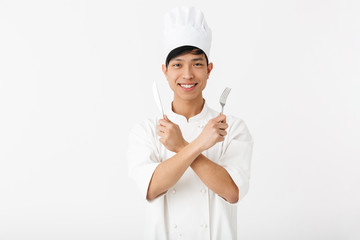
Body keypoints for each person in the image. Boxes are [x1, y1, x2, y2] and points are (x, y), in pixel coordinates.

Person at [127, 6, 254, 240]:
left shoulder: (231, 128)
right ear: (165, 72)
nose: (187, 74)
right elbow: (153, 188)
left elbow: (232, 192)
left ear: (209, 70)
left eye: (196, 63)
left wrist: (181, 145)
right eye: (177, 65)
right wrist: (195, 144)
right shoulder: (145, 131)